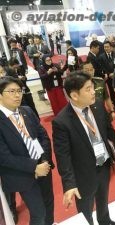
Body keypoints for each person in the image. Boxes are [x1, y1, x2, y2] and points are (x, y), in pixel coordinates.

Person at [52, 72, 115, 225]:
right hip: (83, 174)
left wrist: (114, 148)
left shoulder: (98, 106)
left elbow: (108, 129)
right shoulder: (62, 122)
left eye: (93, 87)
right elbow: (63, 156)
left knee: (103, 198)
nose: (93, 91)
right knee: (85, 209)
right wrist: (69, 184)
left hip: (104, 165)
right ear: (75, 95)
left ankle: (104, 220)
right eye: (88, 89)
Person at [0, 76, 54, 225]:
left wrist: (44, 160)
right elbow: (3, 156)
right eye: (11, 91)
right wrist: (34, 167)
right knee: (39, 214)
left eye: (19, 91)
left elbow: (43, 136)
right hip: (22, 174)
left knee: (49, 206)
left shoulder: (27, 111)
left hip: (44, 167)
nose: (17, 95)